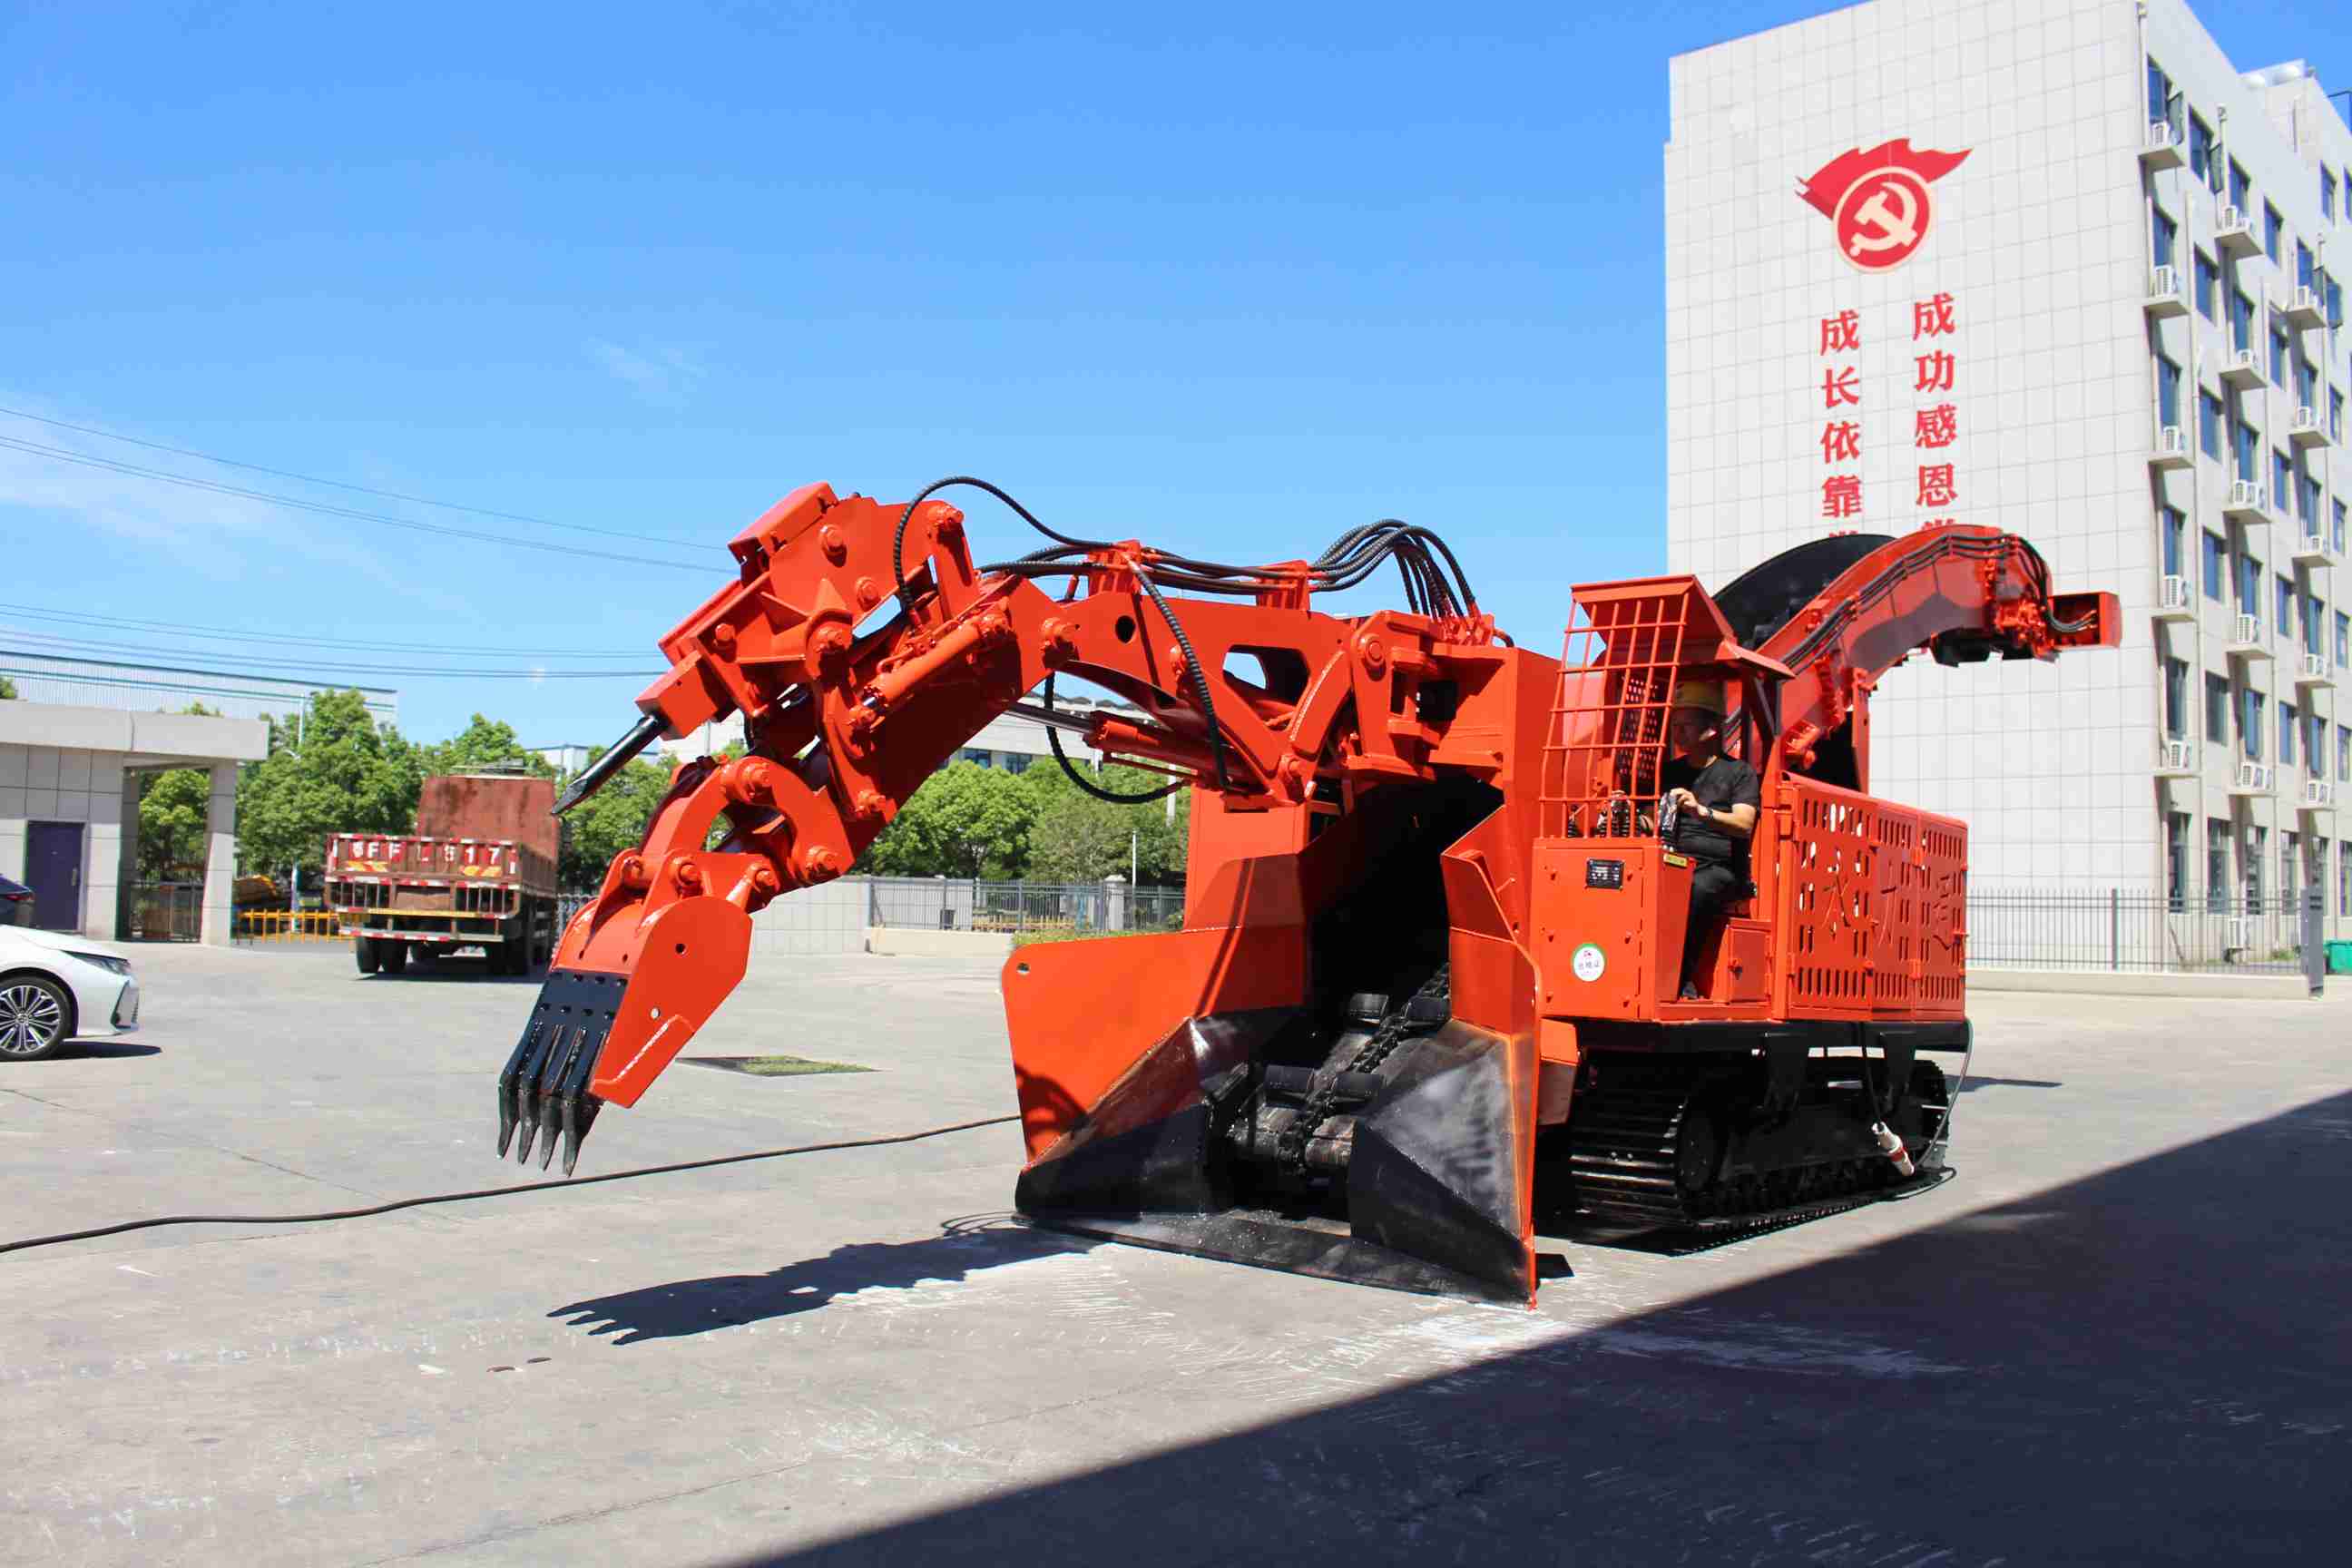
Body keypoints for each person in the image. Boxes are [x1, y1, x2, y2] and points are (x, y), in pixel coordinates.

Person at [1659, 680, 1759, 1000]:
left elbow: (1744, 824)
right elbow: (1653, 817)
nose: (1678, 732)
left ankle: (1679, 980)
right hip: (1673, 858)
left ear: (1712, 730)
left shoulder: (1738, 773)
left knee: (1693, 889)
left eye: (1686, 725)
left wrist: (1702, 812)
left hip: (1720, 867)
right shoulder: (1670, 771)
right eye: (1675, 725)